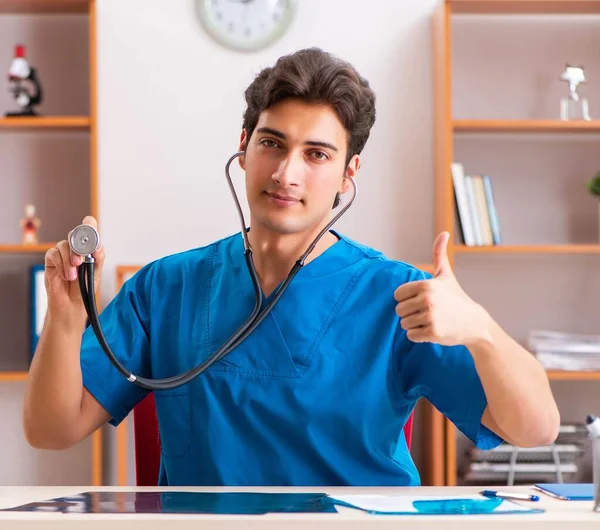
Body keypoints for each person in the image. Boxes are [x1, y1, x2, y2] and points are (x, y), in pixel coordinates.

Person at [23, 47, 560, 487]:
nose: (286, 172)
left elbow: (535, 430)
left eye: (317, 154)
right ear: (244, 147)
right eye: (272, 143)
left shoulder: (398, 295)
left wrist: (483, 331)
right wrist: (66, 321)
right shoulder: (166, 288)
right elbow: (51, 429)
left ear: (349, 173)